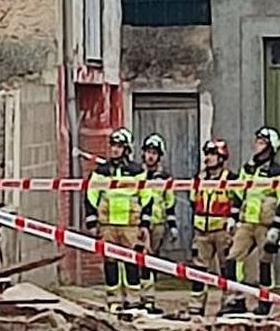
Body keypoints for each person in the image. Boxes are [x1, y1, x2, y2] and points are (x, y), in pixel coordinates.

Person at [222, 126, 280, 317]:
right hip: (246, 223)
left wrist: (276, 227)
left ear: (271, 147)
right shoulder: (248, 168)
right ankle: (236, 299)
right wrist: (232, 217)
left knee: (264, 264)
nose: (256, 146)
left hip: (265, 225)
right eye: (257, 141)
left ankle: (265, 301)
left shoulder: (278, 172)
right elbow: (238, 193)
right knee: (233, 259)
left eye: (261, 142)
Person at [84, 128, 152, 313]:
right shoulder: (102, 171)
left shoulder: (136, 171)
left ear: (127, 149)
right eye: (113, 145)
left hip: (131, 225)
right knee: (110, 262)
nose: (114, 150)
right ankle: (114, 300)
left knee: (131, 261)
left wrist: (144, 224)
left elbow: (147, 197)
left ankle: (133, 300)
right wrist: (91, 222)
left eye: (119, 146)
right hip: (108, 225)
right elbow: (91, 195)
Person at [188, 138, 234, 316]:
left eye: (212, 154)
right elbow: (194, 201)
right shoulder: (198, 179)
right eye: (206, 154)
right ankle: (196, 304)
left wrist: (232, 220)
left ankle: (229, 302)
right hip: (201, 231)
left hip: (222, 230)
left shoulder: (230, 179)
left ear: (221, 157)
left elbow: (236, 201)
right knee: (198, 269)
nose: (208, 158)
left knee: (226, 268)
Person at [137, 133, 178, 315]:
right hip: (138, 223)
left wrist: (173, 225)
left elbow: (169, 203)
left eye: (154, 152)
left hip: (158, 223)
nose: (151, 156)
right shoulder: (136, 174)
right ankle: (137, 297)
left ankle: (149, 299)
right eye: (148, 152)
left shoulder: (165, 177)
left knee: (152, 261)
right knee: (138, 260)